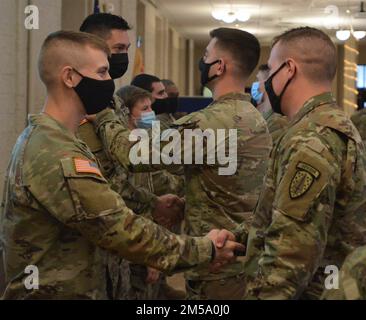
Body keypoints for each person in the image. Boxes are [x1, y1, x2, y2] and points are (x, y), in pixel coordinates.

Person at [0, 30, 244, 300]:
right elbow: (121, 229)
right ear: (69, 77)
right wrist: (206, 249)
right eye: (102, 72)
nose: (109, 83)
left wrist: (152, 204)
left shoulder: (57, 140)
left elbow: (107, 198)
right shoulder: (57, 153)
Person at [91, 27, 272, 300]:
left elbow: (131, 154)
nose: (203, 61)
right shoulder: (253, 117)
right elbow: (233, 187)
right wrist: (188, 204)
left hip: (218, 269)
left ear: (219, 66)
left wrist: (103, 111)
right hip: (245, 262)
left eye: (206, 55)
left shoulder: (210, 124)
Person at [237, 27, 366, 300]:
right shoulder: (330, 122)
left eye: (271, 70)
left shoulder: (310, 138)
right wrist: (239, 238)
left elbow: (290, 256)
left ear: (289, 69)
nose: (266, 81)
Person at [77, 13, 183, 299]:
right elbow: (105, 180)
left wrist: (154, 203)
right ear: (93, 47)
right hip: (83, 262)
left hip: (118, 252)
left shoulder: (111, 105)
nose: (124, 57)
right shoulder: (80, 110)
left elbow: (123, 174)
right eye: (119, 50)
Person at [116, 85, 185, 300]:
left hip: (146, 237)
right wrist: (149, 256)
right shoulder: (122, 150)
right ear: (127, 112)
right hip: (133, 243)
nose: (150, 114)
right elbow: (129, 202)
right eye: (144, 108)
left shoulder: (139, 142)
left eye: (150, 107)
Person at [251, 64, 288, 144]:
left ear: (267, 84)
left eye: (258, 80)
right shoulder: (259, 114)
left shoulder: (277, 124)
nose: (256, 84)